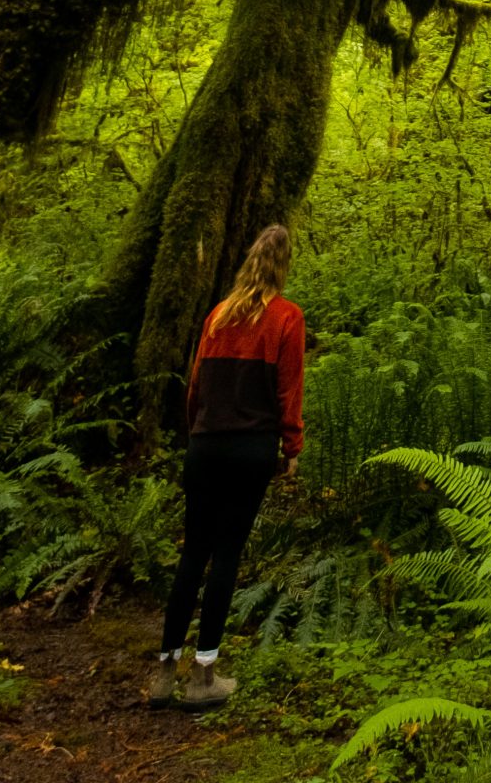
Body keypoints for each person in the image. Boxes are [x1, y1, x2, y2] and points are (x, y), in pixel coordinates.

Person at [148, 223, 305, 711]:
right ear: (283, 266)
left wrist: (197, 432)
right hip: (250, 450)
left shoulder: (217, 316)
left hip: (205, 446)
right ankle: (203, 676)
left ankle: (162, 675)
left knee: (193, 553)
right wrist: (291, 446)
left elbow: (195, 386)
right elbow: (289, 390)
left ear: (248, 261)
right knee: (226, 556)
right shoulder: (286, 318)